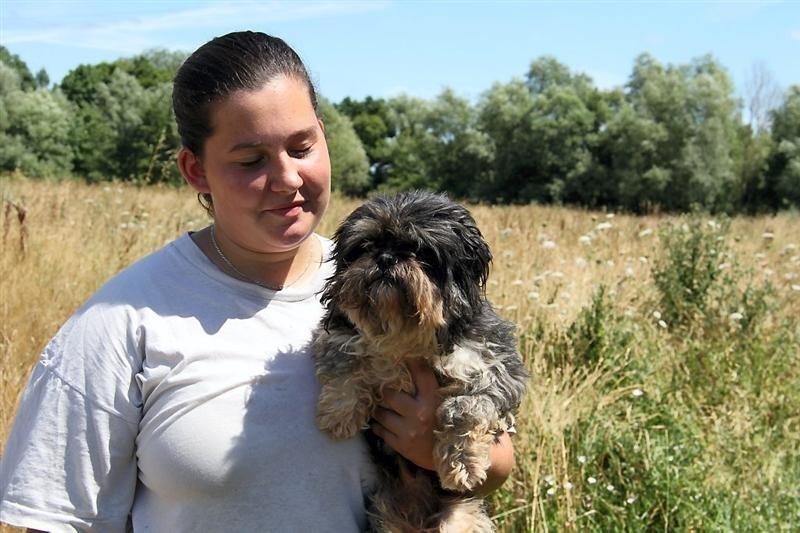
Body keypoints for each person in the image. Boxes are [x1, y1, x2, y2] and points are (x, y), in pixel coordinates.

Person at [0, 31, 514, 532]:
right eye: (251, 161)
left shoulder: (387, 283)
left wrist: (436, 447)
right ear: (195, 171)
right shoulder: (119, 323)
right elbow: (62, 520)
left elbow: (495, 461)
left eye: (302, 147)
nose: (287, 178)